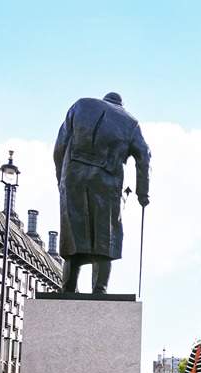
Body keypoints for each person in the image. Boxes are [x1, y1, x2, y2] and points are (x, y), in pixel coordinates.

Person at [53, 92, 150, 294]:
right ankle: (100, 288)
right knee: (105, 236)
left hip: (73, 177)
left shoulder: (79, 105)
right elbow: (144, 156)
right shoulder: (130, 123)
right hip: (108, 183)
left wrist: (61, 180)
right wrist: (143, 193)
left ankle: (68, 287)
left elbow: (59, 147)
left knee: (73, 233)